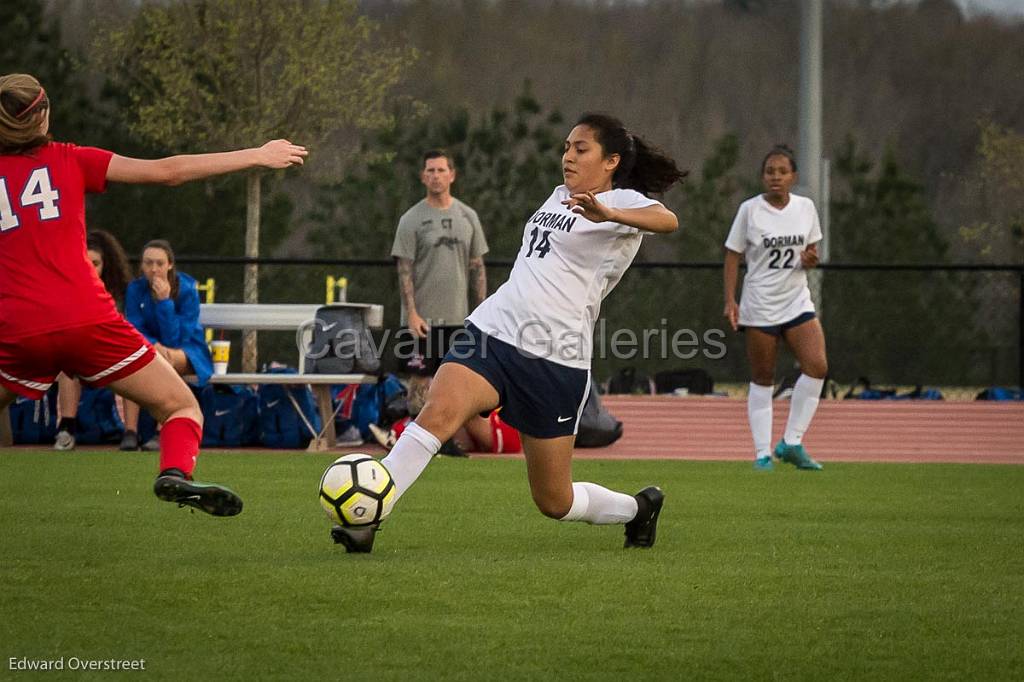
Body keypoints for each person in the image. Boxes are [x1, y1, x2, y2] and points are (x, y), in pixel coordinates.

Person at [333, 113, 685, 553]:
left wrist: (610, 211)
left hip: (555, 358)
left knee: (554, 500)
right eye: (566, 147)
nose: (568, 156)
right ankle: (369, 515)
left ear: (611, 160)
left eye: (581, 149)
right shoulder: (558, 196)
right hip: (493, 330)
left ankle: (639, 509)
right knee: (436, 415)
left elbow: (667, 220)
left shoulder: (624, 204)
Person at [0, 73, 307, 516]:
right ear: (44, 114)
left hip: (18, 328)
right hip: (87, 319)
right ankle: (175, 473)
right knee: (180, 406)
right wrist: (257, 155)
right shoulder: (69, 158)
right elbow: (169, 171)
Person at [723, 144, 827, 471]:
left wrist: (811, 259)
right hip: (760, 305)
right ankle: (762, 454)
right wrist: (730, 300)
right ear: (762, 176)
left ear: (794, 176)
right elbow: (732, 255)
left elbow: (811, 251)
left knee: (817, 366)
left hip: (796, 301)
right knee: (763, 378)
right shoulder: (750, 211)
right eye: (770, 172)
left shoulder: (806, 207)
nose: (776, 177)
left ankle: (792, 442)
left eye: (782, 172)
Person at [390, 149, 491, 455]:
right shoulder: (412, 219)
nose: (435, 175)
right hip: (423, 320)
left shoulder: (467, 216)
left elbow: (477, 266)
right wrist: (412, 313)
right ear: (423, 176)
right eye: (430, 170)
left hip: (459, 319)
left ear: (452, 175)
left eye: (441, 170)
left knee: (456, 381)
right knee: (419, 380)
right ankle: (418, 443)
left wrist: (483, 312)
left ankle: (444, 438)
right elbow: (404, 268)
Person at [120, 239, 213, 452]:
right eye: (148, 263)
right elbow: (135, 329)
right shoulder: (135, 289)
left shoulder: (187, 288)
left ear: (170, 264)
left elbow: (177, 338)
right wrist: (153, 345)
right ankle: (130, 432)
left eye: (159, 263)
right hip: (150, 350)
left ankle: (163, 431)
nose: (154, 269)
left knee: (165, 359)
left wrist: (164, 302)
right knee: (130, 360)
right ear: (141, 265)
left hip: (189, 351)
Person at [53, 229, 132, 450]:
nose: (90, 268)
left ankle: (130, 432)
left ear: (106, 265)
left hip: (112, 354)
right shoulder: (66, 289)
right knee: (68, 365)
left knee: (133, 365)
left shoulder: (119, 293)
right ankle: (66, 429)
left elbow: (126, 330)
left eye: (95, 263)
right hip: (80, 354)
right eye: (85, 262)